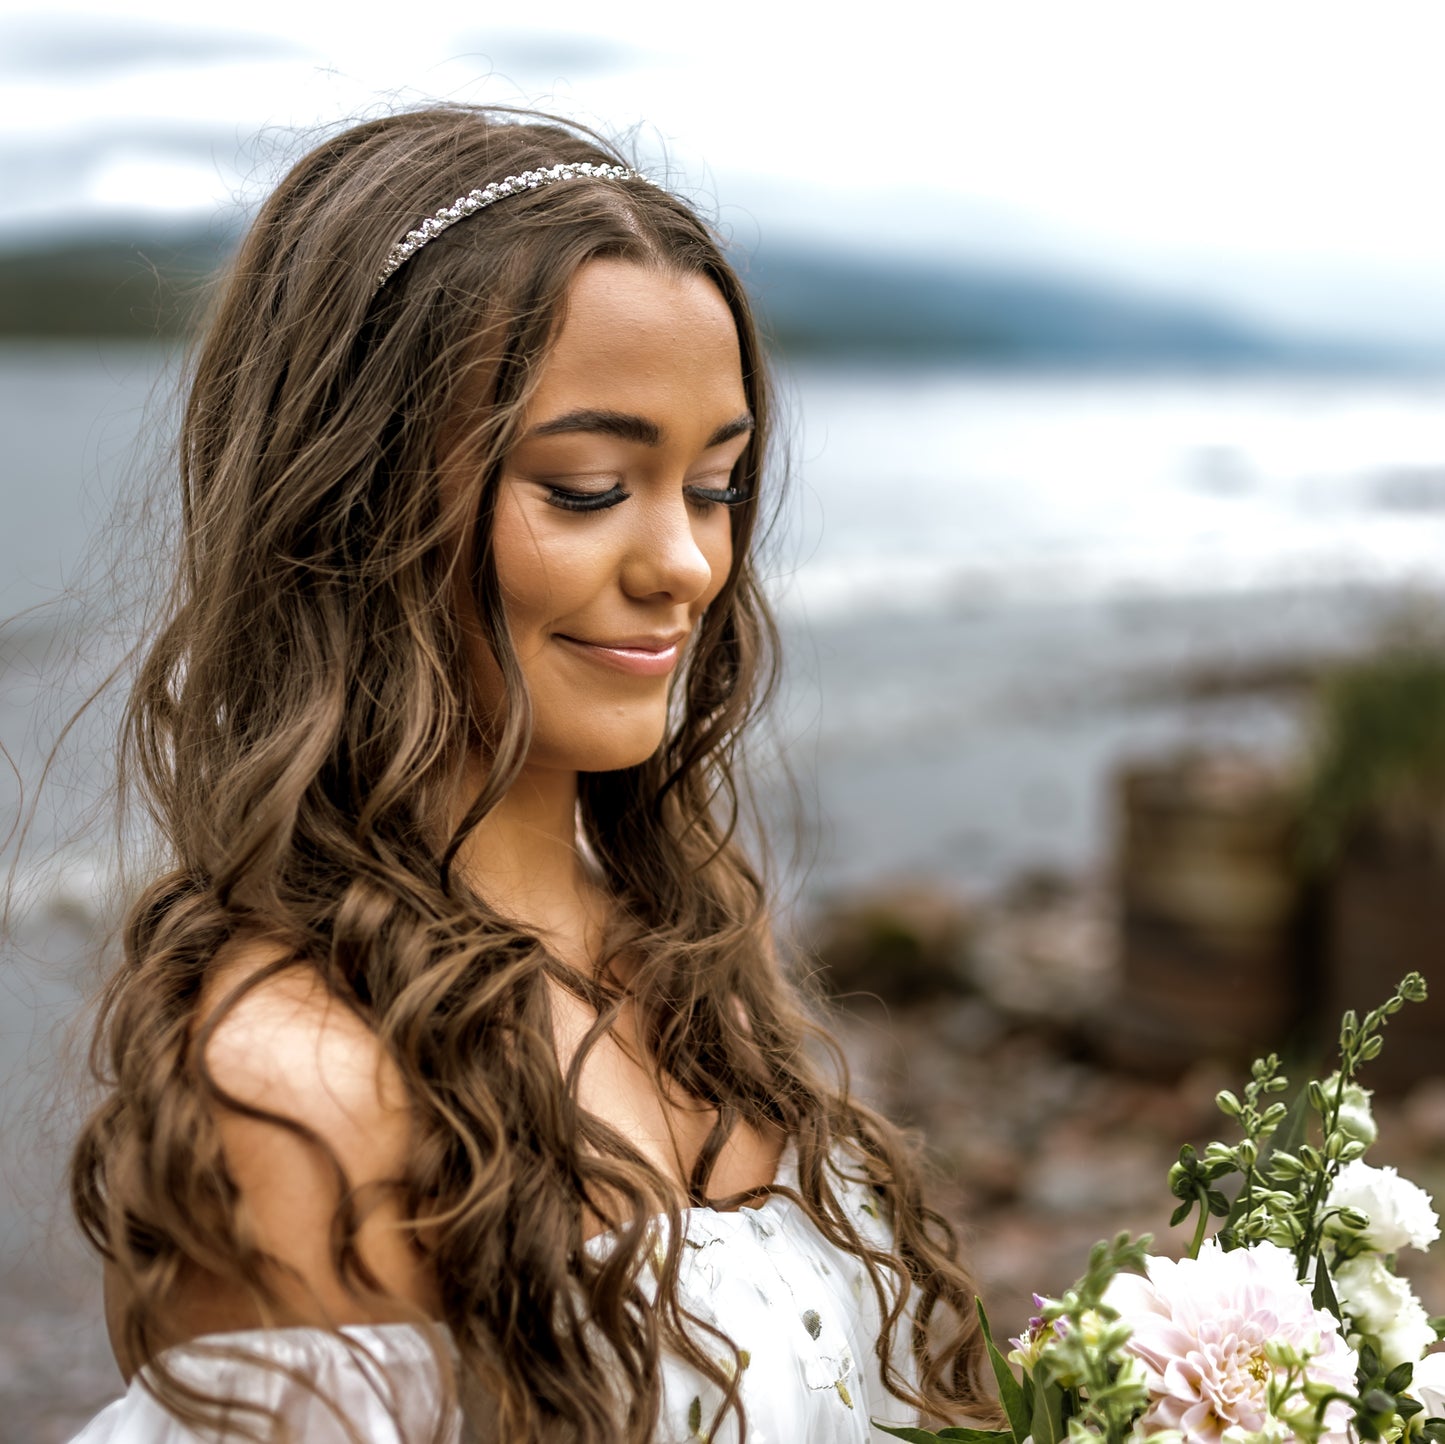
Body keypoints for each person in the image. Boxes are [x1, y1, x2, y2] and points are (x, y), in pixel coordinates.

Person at [65, 104, 992, 1443]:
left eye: (715, 486)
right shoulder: (305, 1088)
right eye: (586, 487)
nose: (684, 563)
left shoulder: (689, 962)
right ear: (357, 505)